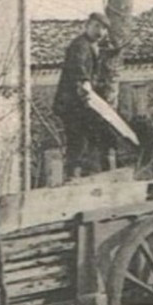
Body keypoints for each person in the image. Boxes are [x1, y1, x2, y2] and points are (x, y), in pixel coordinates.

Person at [53, 11, 112, 180]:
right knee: (77, 137)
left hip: (81, 103)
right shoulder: (79, 45)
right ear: (87, 26)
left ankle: (86, 173)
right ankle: (73, 176)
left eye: (103, 29)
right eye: (96, 26)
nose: (100, 31)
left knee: (90, 135)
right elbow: (77, 66)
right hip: (71, 103)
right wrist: (84, 81)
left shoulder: (93, 47)